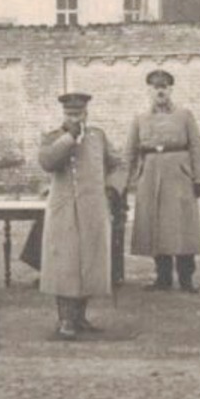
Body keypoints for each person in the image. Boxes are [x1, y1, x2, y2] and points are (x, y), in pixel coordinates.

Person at [37, 92, 128, 339]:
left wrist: (111, 189)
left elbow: (117, 165)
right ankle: (65, 320)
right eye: (69, 114)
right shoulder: (53, 137)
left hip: (93, 208)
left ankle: (80, 317)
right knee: (65, 263)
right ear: (63, 115)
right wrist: (69, 137)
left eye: (78, 113)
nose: (73, 118)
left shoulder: (98, 136)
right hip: (63, 209)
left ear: (86, 113)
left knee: (90, 263)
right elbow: (47, 162)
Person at [126, 68, 200, 292]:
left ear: (171, 89)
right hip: (151, 176)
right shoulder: (140, 118)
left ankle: (186, 278)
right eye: (155, 87)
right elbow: (130, 152)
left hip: (179, 175)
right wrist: (122, 185)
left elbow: (197, 147)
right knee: (156, 226)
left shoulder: (184, 115)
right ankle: (162, 278)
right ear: (149, 91)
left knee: (182, 226)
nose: (160, 91)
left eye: (164, 86)